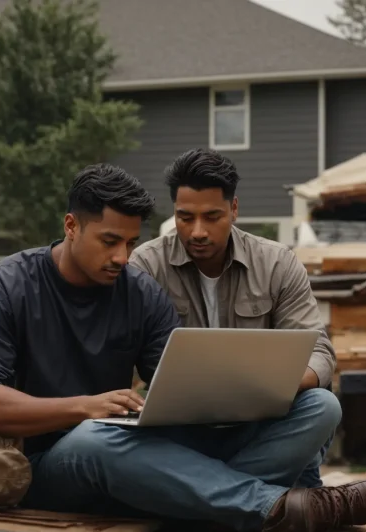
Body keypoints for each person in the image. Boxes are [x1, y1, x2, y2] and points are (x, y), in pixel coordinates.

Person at [0, 163, 366, 532]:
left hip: (134, 450)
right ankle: (279, 507)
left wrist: (245, 394)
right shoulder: (8, 285)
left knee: (320, 405)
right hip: (52, 466)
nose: (122, 257)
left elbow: (181, 392)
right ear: (71, 226)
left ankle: (199, 510)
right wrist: (83, 408)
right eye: (109, 241)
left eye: (130, 243)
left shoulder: (137, 290)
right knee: (94, 438)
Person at [128, 147, 338, 491]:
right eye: (185, 217)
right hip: (181, 429)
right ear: (174, 213)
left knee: (323, 406)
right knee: (104, 443)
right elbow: (125, 355)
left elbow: (320, 352)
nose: (197, 231)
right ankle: (270, 496)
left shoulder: (277, 263)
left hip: (261, 422)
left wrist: (273, 386)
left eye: (212, 217)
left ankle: (203, 497)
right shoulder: (146, 266)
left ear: (234, 210)